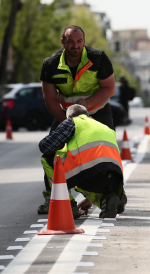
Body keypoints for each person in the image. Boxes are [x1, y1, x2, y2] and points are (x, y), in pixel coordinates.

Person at [38, 25, 116, 214]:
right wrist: (65, 121)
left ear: (84, 42)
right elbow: (49, 97)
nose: (75, 46)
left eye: (79, 41)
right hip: (67, 115)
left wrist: (88, 103)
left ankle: (111, 195)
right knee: (53, 153)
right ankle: (55, 198)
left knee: (103, 152)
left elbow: (109, 88)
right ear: (63, 42)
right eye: (71, 41)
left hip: (97, 113)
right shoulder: (51, 64)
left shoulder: (97, 59)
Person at [39, 104, 126, 218]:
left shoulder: (72, 122)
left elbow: (45, 146)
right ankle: (107, 199)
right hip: (114, 178)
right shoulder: (105, 127)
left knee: (47, 158)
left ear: (69, 116)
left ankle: (68, 204)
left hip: (87, 173)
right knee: (88, 171)